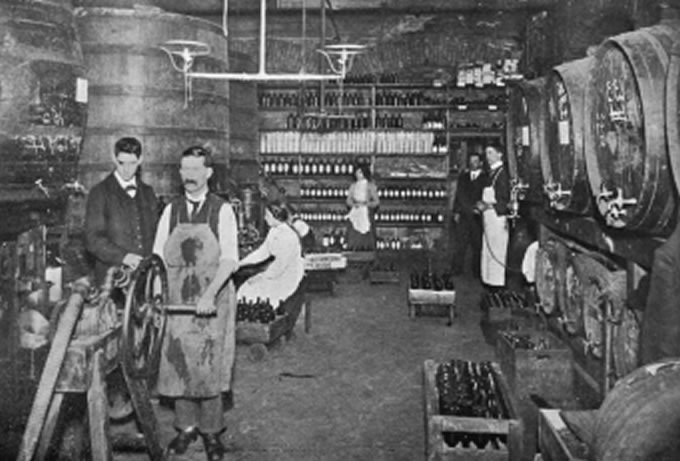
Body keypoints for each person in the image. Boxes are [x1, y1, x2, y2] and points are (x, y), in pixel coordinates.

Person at [152, 146, 239, 461]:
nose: (188, 175)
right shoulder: (170, 210)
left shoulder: (222, 211)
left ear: (208, 173)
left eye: (195, 169)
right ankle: (186, 428)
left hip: (212, 298)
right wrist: (157, 294)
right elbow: (158, 258)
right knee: (180, 361)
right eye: (184, 169)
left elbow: (230, 260)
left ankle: (212, 432)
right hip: (178, 299)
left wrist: (209, 295)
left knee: (209, 365)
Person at [84, 137, 159, 285]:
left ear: (140, 160)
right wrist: (123, 257)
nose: (126, 169)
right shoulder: (99, 192)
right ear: (114, 159)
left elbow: (155, 234)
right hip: (111, 281)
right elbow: (92, 239)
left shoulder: (148, 193)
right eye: (121, 163)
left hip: (144, 281)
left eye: (132, 163)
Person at [236, 200, 305, 306]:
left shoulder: (288, 236)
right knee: (246, 289)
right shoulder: (274, 230)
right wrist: (240, 263)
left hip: (287, 276)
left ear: (276, 216)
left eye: (267, 215)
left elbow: (280, 265)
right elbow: (263, 252)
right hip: (276, 273)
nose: (265, 218)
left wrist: (262, 276)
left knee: (256, 293)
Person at [476, 143, 510, 292]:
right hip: (488, 219)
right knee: (488, 251)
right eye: (486, 153)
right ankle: (488, 282)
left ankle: (497, 286)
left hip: (497, 219)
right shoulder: (491, 173)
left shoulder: (502, 174)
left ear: (500, 154)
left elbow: (505, 201)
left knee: (497, 252)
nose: (487, 157)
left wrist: (487, 205)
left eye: (490, 153)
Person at [451, 152, 487, 277]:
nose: (473, 164)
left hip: (477, 217)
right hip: (464, 215)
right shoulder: (464, 177)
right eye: (471, 161)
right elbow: (458, 195)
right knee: (460, 243)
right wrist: (456, 211)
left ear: (481, 163)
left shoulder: (485, 178)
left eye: (475, 161)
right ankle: (457, 269)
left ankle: (476, 271)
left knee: (477, 245)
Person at [345, 164, 379, 251]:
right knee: (354, 232)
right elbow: (348, 200)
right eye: (356, 172)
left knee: (367, 233)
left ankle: (367, 250)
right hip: (356, 211)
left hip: (366, 213)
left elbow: (376, 201)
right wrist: (354, 204)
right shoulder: (353, 186)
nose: (358, 174)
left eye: (360, 172)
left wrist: (366, 204)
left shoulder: (370, 186)